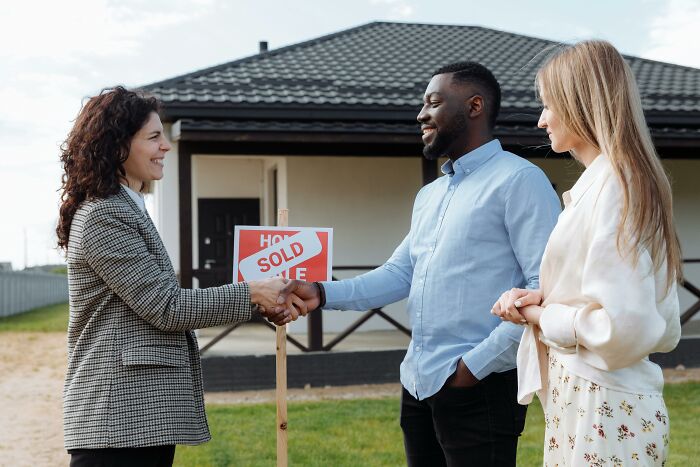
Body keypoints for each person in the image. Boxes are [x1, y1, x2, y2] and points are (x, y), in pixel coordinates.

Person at [277, 62, 561, 466]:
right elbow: (399, 273)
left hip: (479, 387)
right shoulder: (430, 195)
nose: (420, 114)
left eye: (433, 103)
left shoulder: (520, 181)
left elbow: (546, 289)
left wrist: (471, 369)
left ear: (474, 106)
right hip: (418, 382)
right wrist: (321, 293)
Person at [57, 86, 302, 466]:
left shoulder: (126, 208)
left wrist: (259, 297)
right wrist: (253, 292)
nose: (166, 147)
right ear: (118, 146)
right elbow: (167, 307)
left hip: (133, 419)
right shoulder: (106, 214)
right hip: (117, 419)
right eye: (154, 137)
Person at [492, 40, 682, 466]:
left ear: (580, 103)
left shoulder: (616, 186)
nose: (541, 120)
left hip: (604, 406)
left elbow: (623, 326)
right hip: (592, 400)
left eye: (548, 105)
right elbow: (644, 311)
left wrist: (539, 316)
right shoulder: (616, 181)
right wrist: (543, 299)